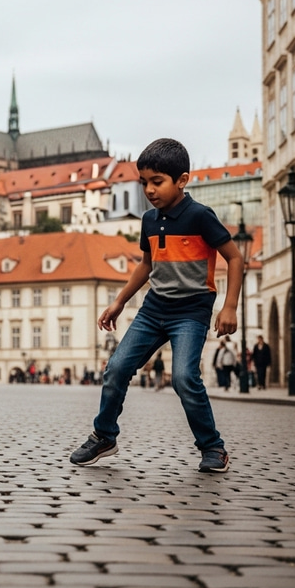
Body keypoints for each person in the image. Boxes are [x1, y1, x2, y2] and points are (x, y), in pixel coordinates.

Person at [69, 138, 243, 474]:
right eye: (144, 182)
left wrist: (229, 306)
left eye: (157, 182)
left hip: (191, 312)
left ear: (182, 180)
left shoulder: (200, 216)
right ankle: (105, 435)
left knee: (183, 378)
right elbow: (146, 265)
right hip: (153, 309)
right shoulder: (149, 220)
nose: (149, 190)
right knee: (116, 368)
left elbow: (234, 259)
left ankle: (213, 447)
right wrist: (119, 301)